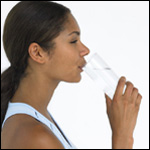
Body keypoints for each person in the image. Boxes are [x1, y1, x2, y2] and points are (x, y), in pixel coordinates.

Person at [1, 1, 142, 149]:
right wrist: (123, 136)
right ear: (38, 53)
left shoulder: (36, 119)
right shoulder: (35, 136)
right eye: (73, 41)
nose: (85, 50)